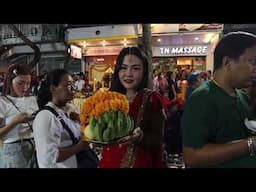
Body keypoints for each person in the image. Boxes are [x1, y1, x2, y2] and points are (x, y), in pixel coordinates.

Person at [182, 31, 256, 168]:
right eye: (252, 62)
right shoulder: (202, 98)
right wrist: (250, 144)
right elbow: (191, 156)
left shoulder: (243, 97)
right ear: (227, 62)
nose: (255, 69)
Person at [99, 46, 165, 168]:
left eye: (135, 68)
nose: (128, 74)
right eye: (124, 68)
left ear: (144, 71)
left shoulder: (152, 99)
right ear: (118, 70)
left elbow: (158, 137)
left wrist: (141, 137)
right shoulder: (108, 98)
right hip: (109, 162)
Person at [33, 69, 90, 168]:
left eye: (73, 84)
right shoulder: (45, 117)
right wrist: (78, 148)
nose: (73, 88)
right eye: (68, 85)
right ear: (53, 89)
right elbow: (48, 157)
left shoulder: (72, 109)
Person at [0, 64, 38, 168]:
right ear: (10, 82)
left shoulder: (32, 99)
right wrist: (15, 122)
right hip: (13, 150)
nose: (25, 87)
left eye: (28, 83)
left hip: (34, 147)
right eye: (20, 83)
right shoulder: (2, 102)